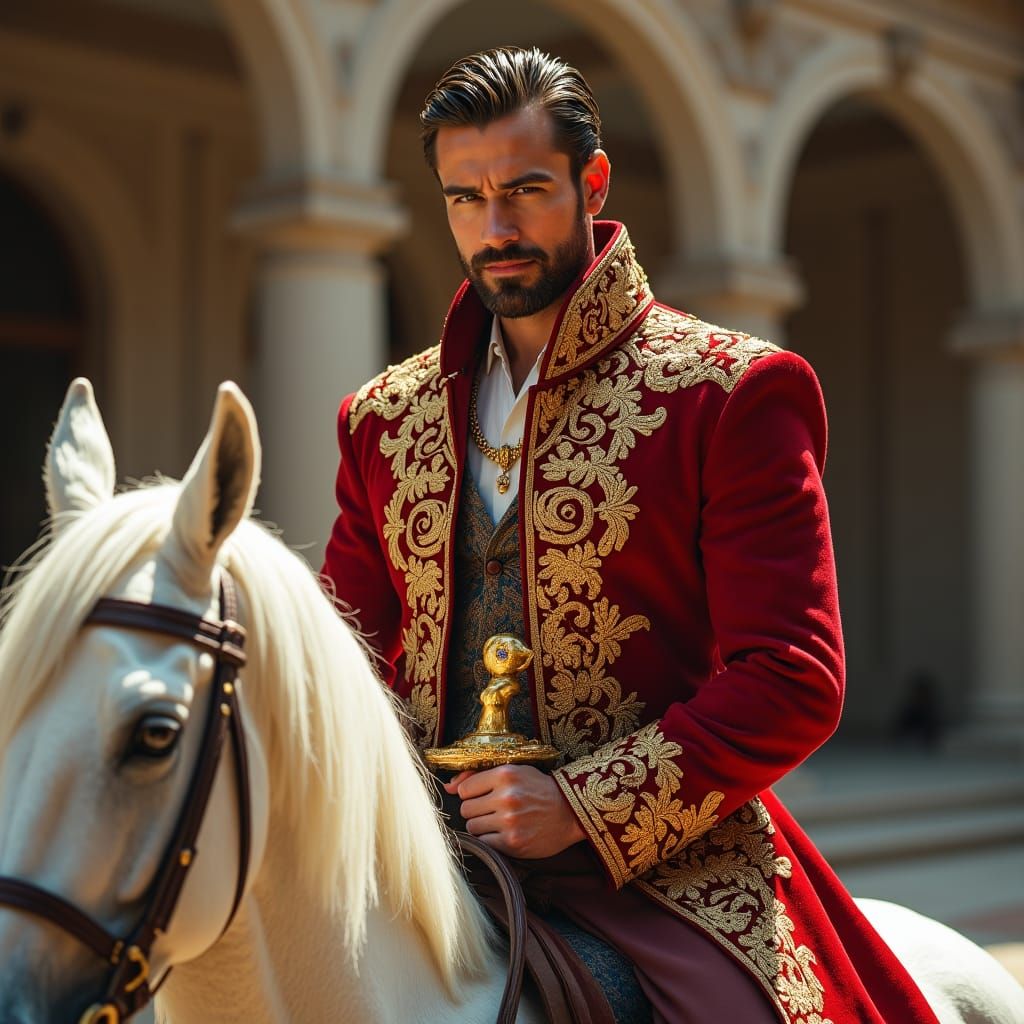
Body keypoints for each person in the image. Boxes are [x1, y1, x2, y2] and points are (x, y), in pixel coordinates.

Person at [322, 46, 939, 1024]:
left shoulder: (730, 391)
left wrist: (578, 804)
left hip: (668, 867)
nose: (495, 227)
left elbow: (791, 675)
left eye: (525, 189)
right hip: (424, 850)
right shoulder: (380, 419)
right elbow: (338, 656)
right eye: (464, 198)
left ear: (592, 180)